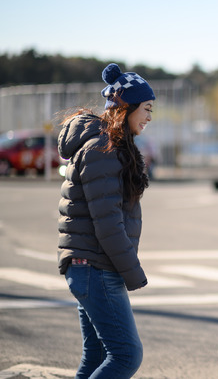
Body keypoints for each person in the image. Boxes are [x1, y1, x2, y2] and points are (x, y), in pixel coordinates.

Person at [57, 63, 155, 378]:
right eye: (147, 109)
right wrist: (134, 274)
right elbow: (108, 224)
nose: (150, 117)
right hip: (96, 268)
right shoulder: (103, 149)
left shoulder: (111, 146)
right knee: (127, 355)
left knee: (96, 357)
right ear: (126, 109)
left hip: (91, 267)